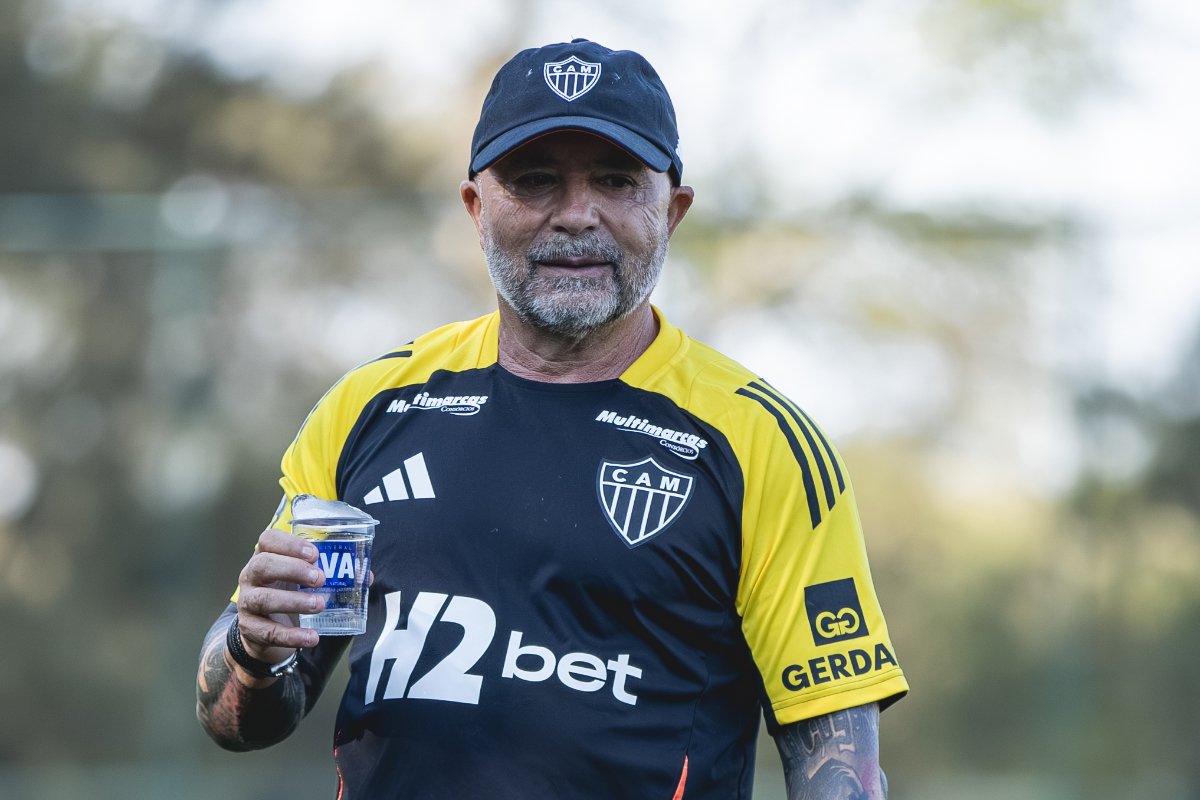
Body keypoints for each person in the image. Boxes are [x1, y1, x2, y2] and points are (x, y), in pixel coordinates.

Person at [196, 38, 908, 799]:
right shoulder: (369, 407)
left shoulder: (758, 442)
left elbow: (839, 772)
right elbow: (242, 718)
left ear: (672, 210)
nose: (577, 215)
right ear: (476, 207)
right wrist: (253, 647)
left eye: (615, 180)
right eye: (535, 180)